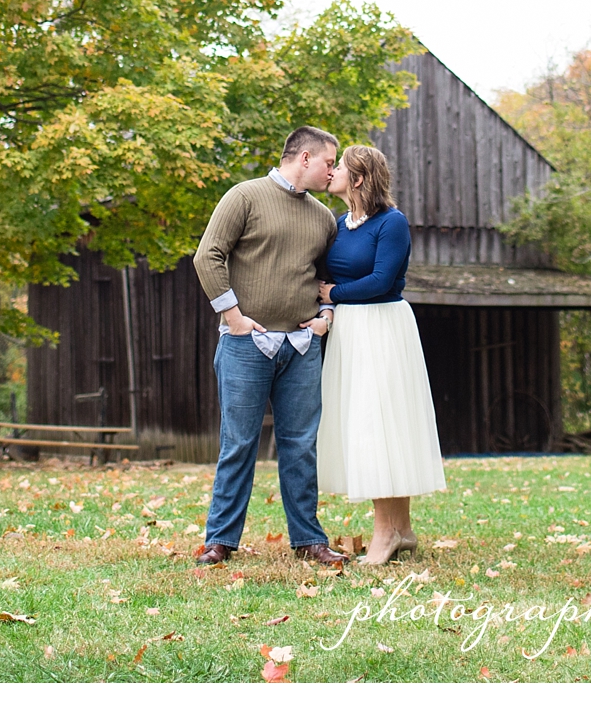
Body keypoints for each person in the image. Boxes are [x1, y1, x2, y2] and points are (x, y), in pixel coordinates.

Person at [189, 125, 348, 567]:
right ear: (304, 159)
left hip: (300, 346)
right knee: (238, 442)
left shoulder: (321, 216)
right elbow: (208, 255)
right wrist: (233, 316)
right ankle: (220, 539)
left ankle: (309, 541)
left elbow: (328, 278)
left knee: (300, 444)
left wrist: (326, 317)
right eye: (328, 162)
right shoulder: (244, 196)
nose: (332, 171)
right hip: (246, 343)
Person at [316, 144, 445, 565]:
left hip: (383, 327)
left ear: (358, 178)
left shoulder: (392, 223)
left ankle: (386, 533)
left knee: (383, 425)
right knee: (368, 424)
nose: (331, 172)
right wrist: (328, 302)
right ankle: (402, 530)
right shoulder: (340, 223)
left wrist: (334, 294)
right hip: (351, 332)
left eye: (340, 168)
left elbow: (381, 279)